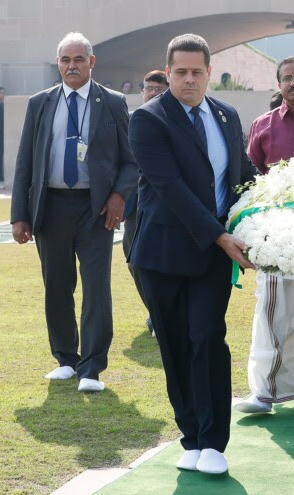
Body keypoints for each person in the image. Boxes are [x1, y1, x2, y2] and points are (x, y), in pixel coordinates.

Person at [128, 33, 257, 474]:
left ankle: (214, 440)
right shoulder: (148, 120)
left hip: (211, 257)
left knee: (207, 338)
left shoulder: (226, 115)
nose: (188, 79)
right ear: (168, 73)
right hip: (163, 252)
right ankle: (191, 437)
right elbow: (170, 189)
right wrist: (221, 237)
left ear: (208, 72)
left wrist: (277, 199)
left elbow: (241, 174)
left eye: (196, 71)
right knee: (176, 345)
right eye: (179, 72)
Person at [10, 32, 137, 392]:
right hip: (50, 206)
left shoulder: (112, 102)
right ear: (58, 64)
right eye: (65, 60)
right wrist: (20, 214)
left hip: (96, 209)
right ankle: (66, 358)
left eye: (79, 59)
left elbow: (131, 160)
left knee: (97, 287)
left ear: (92, 63)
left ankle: (92, 367)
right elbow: (25, 163)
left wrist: (118, 196)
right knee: (57, 285)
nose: (72, 66)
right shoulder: (40, 103)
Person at [235, 56, 294, 414]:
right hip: (276, 235)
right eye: (287, 78)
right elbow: (250, 182)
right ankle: (264, 391)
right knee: (272, 309)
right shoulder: (262, 125)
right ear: (278, 85)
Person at [123, 70, 169, 337]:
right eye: (148, 88)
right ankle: (155, 311)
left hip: (166, 202)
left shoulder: (174, 121)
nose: (152, 92)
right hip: (133, 204)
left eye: (158, 88)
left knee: (163, 260)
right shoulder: (130, 121)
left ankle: (163, 314)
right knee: (134, 262)